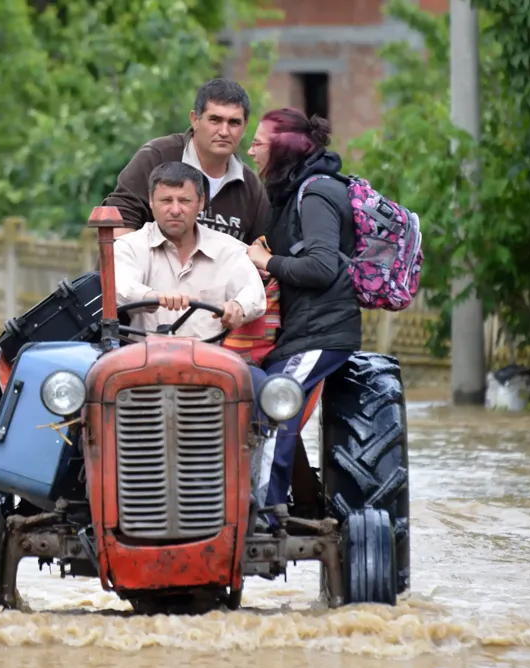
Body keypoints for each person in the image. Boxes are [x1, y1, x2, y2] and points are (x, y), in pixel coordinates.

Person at [243, 107, 363, 515]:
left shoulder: (316, 192)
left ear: (282, 148)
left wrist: (264, 261)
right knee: (266, 399)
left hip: (323, 332)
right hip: (303, 330)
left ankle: (267, 514)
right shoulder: (292, 189)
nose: (251, 149)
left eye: (258, 142)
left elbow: (321, 266)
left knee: (277, 404)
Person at [101, 78, 269, 245]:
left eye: (234, 122)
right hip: (141, 269)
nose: (224, 131)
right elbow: (118, 222)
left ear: (245, 126)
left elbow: (260, 250)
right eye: (215, 120)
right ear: (195, 119)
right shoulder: (157, 157)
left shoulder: (251, 187)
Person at [113, 161, 266, 343]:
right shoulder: (129, 246)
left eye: (184, 201)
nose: (175, 210)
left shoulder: (229, 249)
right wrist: (153, 297)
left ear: (201, 203)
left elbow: (253, 293)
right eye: (166, 201)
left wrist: (238, 306)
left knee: (262, 374)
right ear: (151, 201)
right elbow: (120, 289)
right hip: (144, 360)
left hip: (211, 362)